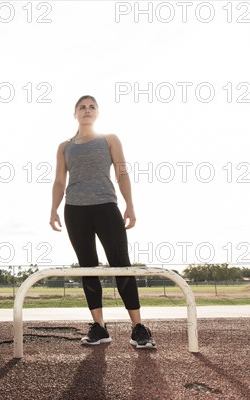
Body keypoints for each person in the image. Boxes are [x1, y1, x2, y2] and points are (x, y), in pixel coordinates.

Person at [50, 95, 155, 348]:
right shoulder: (65, 146)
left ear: (97, 113)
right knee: (88, 268)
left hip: (107, 207)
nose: (87, 110)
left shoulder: (109, 139)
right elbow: (59, 181)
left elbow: (122, 172)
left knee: (121, 265)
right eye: (82, 107)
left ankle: (138, 328)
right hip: (75, 210)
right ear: (74, 114)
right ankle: (99, 327)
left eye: (92, 107)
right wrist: (54, 208)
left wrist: (129, 204)